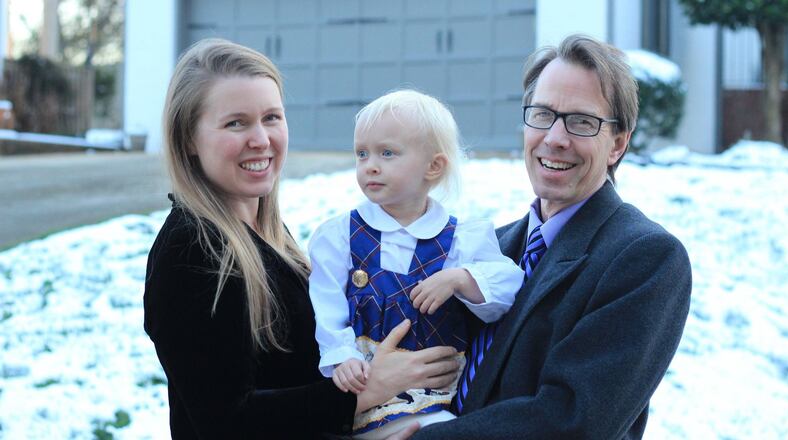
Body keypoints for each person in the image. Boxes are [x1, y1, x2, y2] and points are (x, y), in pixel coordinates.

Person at [142, 39, 459, 439]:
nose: (261, 139)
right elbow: (225, 423)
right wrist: (368, 390)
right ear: (188, 138)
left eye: (271, 117)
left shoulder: (264, 233)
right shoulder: (192, 250)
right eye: (236, 123)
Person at [412, 34, 692, 439]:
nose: (555, 138)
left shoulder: (645, 258)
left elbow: (573, 419)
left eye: (582, 121)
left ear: (617, 144)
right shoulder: (491, 249)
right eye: (542, 114)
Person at [308, 90, 524, 439]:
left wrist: (459, 278)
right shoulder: (339, 236)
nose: (370, 165)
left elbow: (507, 289)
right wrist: (342, 356)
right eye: (362, 153)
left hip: (432, 407)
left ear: (433, 167)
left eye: (387, 153)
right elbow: (327, 308)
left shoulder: (460, 239)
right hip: (359, 402)